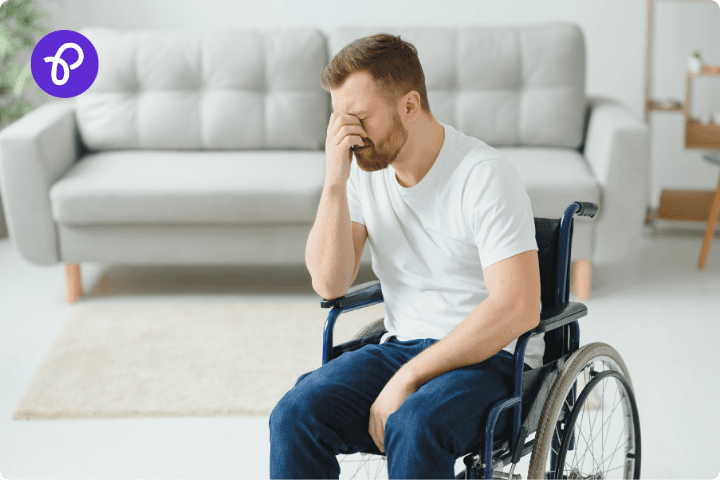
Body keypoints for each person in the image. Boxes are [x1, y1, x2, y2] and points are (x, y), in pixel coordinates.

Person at [269, 32, 542, 479]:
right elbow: (328, 283)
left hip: (489, 360)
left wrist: (410, 378)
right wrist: (334, 180)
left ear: (409, 106)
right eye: (339, 121)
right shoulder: (363, 173)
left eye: (358, 118)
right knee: (295, 414)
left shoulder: (484, 177)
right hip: (402, 346)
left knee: (415, 423)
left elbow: (517, 306)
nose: (350, 136)